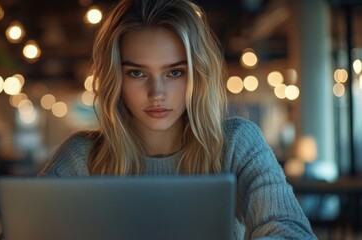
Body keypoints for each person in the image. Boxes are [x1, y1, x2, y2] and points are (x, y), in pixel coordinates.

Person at [39, 0, 317, 239]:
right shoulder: (82, 157)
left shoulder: (236, 143)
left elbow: (287, 227)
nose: (156, 94)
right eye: (137, 73)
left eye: (174, 72)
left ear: (197, 74)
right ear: (116, 79)